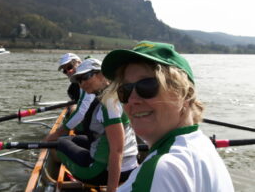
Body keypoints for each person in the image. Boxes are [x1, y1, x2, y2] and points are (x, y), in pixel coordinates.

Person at [101, 40, 234, 192]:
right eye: (125, 90)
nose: (132, 100)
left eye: (147, 86)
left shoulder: (162, 169)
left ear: (185, 94)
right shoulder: (202, 144)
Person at [56, 58, 138, 192]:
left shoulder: (109, 105)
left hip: (100, 171)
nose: (82, 84)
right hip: (130, 166)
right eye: (79, 80)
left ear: (102, 74)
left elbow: (117, 151)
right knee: (75, 140)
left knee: (60, 144)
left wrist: (112, 189)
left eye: (86, 77)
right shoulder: (118, 94)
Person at [45, 53, 96, 140]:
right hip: (92, 123)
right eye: (65, 71)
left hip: (94, 128)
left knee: (56, 142)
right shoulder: (74, 87)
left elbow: (81, 112)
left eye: (70, 67)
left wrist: (58, 132)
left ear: (79, 63)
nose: (68, 72)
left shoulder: (88, 81)